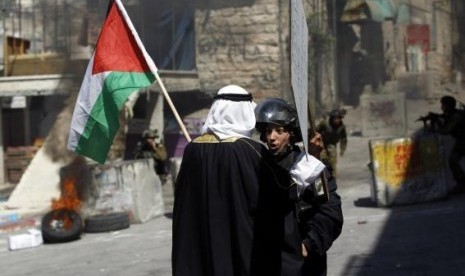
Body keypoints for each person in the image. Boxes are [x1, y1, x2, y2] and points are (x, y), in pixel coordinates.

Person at [172, 85, 326, 276]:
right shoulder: (249, 150)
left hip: (204, 246)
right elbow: (285, 189)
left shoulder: (192, 150)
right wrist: (314, 160)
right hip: (240, 246)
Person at [255, 98, 343, 276]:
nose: (272, 137)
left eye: (279, 131)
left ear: (291, 133)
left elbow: (329, 210)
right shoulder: (259, 165)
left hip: (305, 262)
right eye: (268, 131)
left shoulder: (309, 166)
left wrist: (309, 244)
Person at [429, 95, 465, 193]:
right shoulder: (451, 114)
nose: (442, 107)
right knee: (453, 161)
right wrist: (437, 119)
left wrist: (434, 129)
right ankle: (461, 183)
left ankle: (461, 184)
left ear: (449, 105)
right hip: (461, 141)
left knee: (453, 161)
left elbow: (446, 130)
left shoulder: (457, 116)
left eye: (443, 105)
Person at [316, 109, 348, 177]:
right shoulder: (325, 123)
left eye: (338, 119)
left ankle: (333, 178)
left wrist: (342, 149)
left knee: (332, 163)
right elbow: (316, 130)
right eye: (335, 119)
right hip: (322, 144)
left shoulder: (341, 127)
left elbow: (343, 139)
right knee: (321, 161)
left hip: (332, 145)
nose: (337, 120)